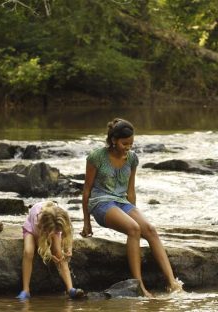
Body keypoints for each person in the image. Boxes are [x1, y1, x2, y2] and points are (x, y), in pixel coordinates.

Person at [80, 118, 183, 297]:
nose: (128, 147)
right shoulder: (96, 157)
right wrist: (86, 223)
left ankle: (172, 282)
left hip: (122, 203)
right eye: (124, 143)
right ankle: (140, 286)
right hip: (100, 203)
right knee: (133, 229)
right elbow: (87, 190)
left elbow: (130, 190)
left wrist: (133, 212)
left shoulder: (133, 158)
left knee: (150, 229)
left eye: (131, 143)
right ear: (113, 140)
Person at [16, 201, 85, 300]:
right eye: (54, 231)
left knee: (58, 252)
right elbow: (40, 243)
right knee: (28, 251)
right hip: (32, 230)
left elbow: (67, 234)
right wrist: (48, 254)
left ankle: (70, 289)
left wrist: (68, 249)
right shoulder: (37, 219)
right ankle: (26, 290)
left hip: (51, 227)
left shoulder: (61, 216)